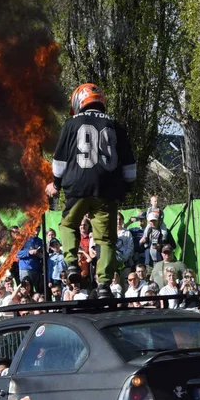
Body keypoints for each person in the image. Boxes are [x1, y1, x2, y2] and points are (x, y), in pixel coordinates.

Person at [45, 82, 136, 298]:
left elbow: (58, 162)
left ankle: (72, 265)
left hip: (76, 187)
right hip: (107, 191)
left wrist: (55, 184)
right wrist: (125, 189)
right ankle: (104, 286)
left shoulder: (71, 124)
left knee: (68, 225)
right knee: (106, 240)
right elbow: (131, 169)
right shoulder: (115, 125)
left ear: (79, 101)